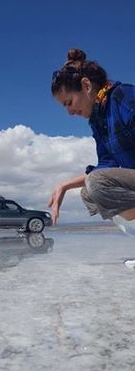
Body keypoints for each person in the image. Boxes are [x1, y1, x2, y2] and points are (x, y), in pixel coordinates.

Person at [49, 48, 135, 234]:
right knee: (89, 193)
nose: (70, 113)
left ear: (86, 86)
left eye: (69, 102)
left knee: (96, 183)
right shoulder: (98, 122)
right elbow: (106, 166)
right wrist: (64, 185)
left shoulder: (123, 97)